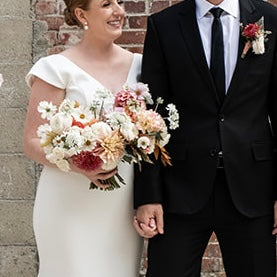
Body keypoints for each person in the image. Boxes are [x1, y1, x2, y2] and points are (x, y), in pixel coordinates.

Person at [133, 0, 277, 276]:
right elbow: (150, 116)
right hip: (180, 188)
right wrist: (148, 195)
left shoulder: (270, 19)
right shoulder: (164, 25)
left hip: (253, 187)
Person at [23, 0, 144, 276]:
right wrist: (81, 164)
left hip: (121, 206)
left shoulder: (141, 66)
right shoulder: (56, 68)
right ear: (81, 14)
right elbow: (31, 142)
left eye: (121, 2)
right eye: (106, 4)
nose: (119, 11)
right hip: (69, 203)